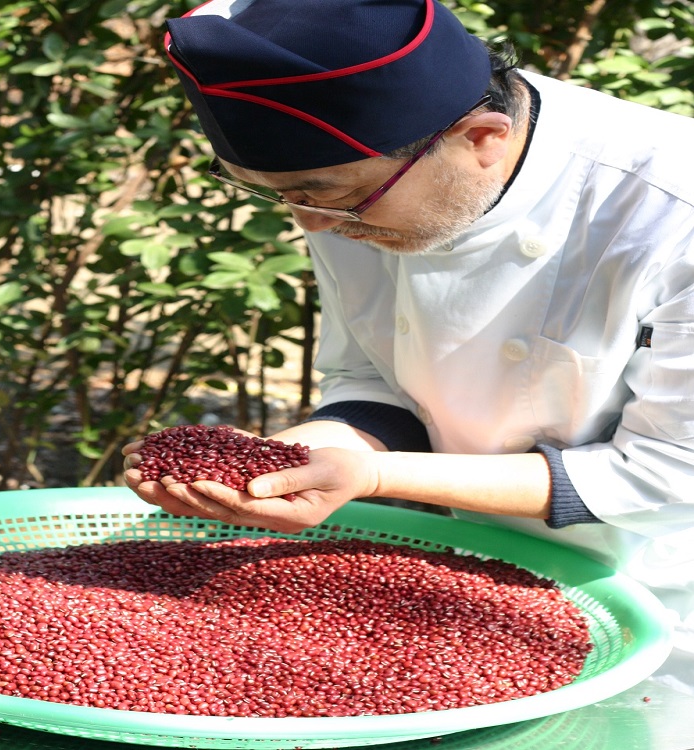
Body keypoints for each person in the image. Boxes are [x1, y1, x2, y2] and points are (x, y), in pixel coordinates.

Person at [123, 0, 694, 696]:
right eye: (284, 198)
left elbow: (663, 469)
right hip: (496, 577)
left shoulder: (669, 208)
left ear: (482, 137)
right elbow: (374, 372)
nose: (313, 225)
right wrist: (294, 460)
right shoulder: (365, 187)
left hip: (667, 588)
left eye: (329, 197)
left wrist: (372, 479)